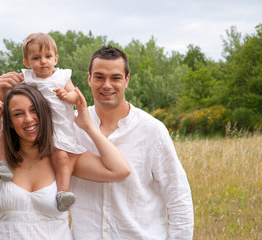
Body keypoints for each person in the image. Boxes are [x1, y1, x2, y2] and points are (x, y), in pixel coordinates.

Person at [0, 83, 130, 240]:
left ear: (45, 113)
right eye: (18, 114)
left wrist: (88, 126)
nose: (29, 119)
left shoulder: (64, 157)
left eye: (34, 110)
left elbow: (120, 170)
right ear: (10, 123)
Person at [70, 46, 194, 239]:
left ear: (126, 80)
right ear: (89, 79)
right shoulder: (72, 127)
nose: (107, 85)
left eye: (116, 78)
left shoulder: (152, 130)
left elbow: (178, 196)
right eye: (99, 77)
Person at [0, 33, 83, 212]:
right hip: (39, 126)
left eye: (48, 57)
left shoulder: (61, 76)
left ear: (56, 59)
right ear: (27, 63)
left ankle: (62, 193)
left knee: (61, 157)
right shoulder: (28, 78)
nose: (43, 61)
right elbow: (15, 95)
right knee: (5, 130)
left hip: (58, 126)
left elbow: (75, 95)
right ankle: (4, 165)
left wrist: (68, 96)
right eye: (36, 58)